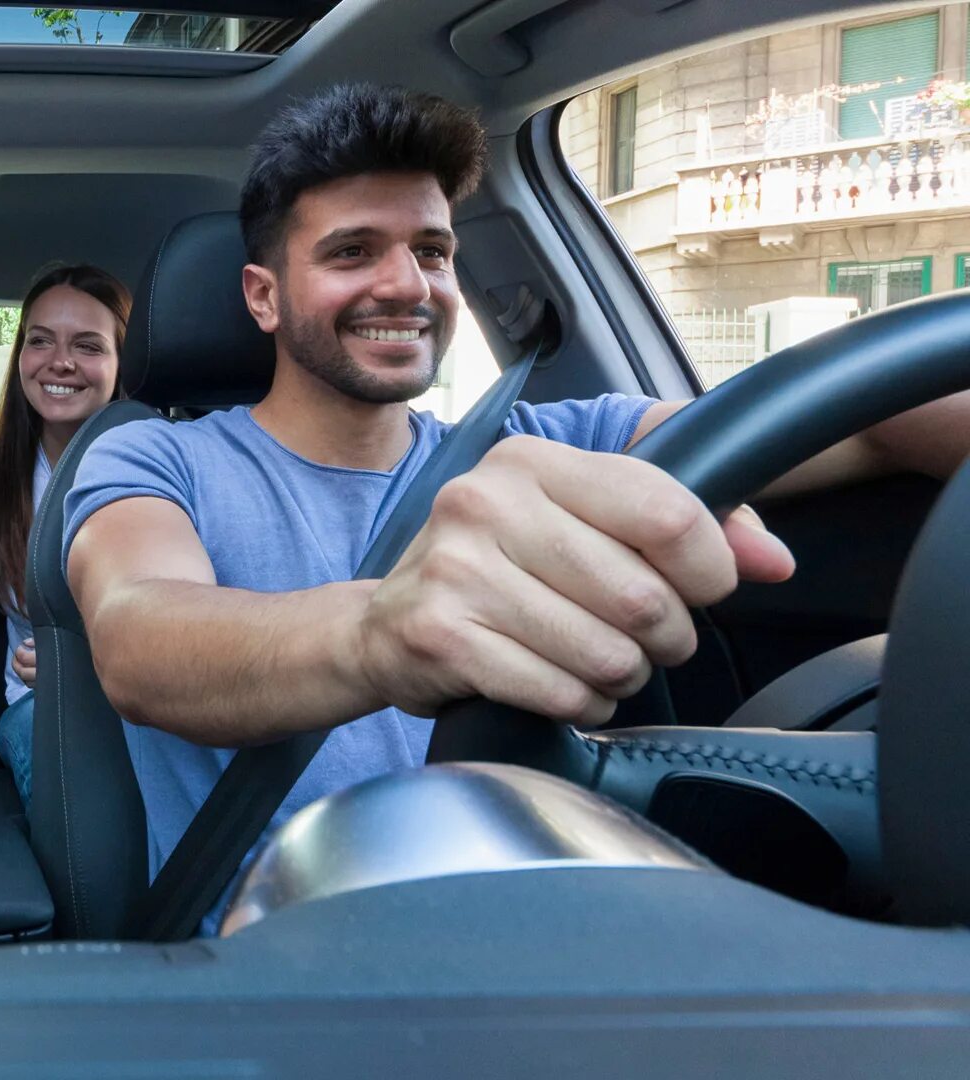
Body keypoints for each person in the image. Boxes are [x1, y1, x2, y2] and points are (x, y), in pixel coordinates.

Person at [63, 83, 970, 934]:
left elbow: (880, 424)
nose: (408, 285)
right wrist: (380, 631)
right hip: (282, 948)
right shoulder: (154, 454)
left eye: (431, 251)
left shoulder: (552, 441)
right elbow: (142, 631)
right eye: (351, 251)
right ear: (264, 296)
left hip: (540, 918)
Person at [0, 265, 131, 800]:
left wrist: (89, 661)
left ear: (122, 360)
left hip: (156, 701)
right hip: (42, 709)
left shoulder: (172, 464)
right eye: (40, 341)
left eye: (88, 346)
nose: (60, 362)